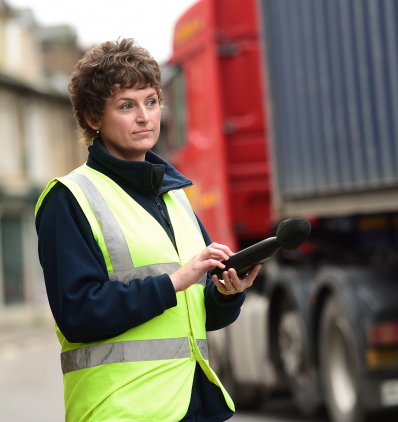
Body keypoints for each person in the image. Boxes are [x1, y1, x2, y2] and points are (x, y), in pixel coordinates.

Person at [35, 38, 261, 422]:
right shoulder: (68, 198)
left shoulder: (175, 196)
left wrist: (227, 294)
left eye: (151, 101)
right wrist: (175, 281)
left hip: (193, 403)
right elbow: (78, 313)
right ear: (93, 118)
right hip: (122, 411)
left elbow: (195, 319)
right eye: (127, 105)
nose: (145, 117)